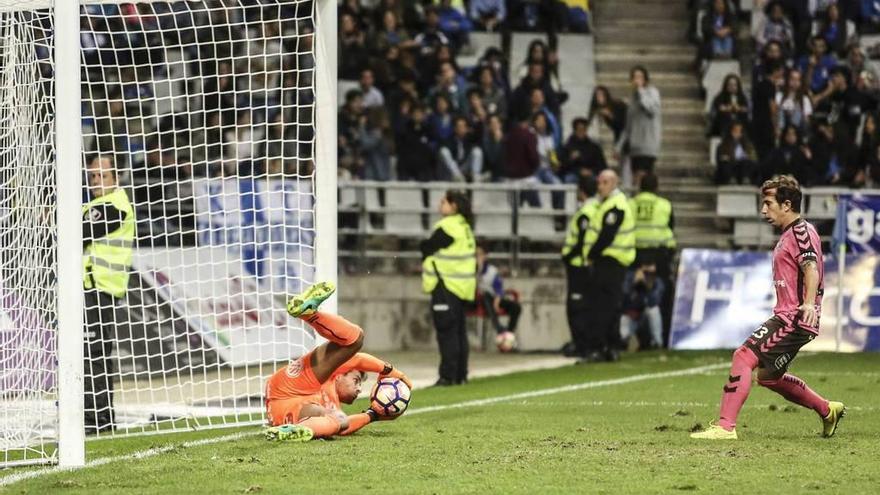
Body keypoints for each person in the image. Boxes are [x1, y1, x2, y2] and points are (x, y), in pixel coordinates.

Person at [691, 176, 845, 440]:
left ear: (786, 205)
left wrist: (807, 303)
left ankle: (725, 427)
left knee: (743, 356)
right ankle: (827, 409)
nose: (763, 210)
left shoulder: (801, 232)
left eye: (768, 203)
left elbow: (811, 269)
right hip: (792, 316)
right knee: (769, 377)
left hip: (794, 317)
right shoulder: (791, 233)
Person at [264, 282, 413, 442]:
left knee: (340, 422)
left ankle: (298, 431)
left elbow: (346, 427)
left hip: (284, 415)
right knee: (355, 339)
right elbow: (359, 359)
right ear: (340, 374)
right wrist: (389, 370)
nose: (359, 389)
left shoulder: (333, 405)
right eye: (356, 380)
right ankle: (309, 314)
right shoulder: (333, 371)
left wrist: (373, 415)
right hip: (289, 388)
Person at [82, 155, 135, 434]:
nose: (96, 182)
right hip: (89, 287)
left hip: (100, 289)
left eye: (102, 176)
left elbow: (81, 232)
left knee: (94, 353)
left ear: (116, 178)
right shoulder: (93, 206)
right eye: (92, 177)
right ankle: (97, 417)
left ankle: (98, 420)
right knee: (91, 353)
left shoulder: (114, 206)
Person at [421, 190, 477, 386]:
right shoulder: (465, 226)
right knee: (459, 332)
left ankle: (447, 376)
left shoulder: (448, 226)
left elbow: (426, 247)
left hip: (446, 285)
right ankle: (461, 375)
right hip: (462, 287)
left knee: (447, 333)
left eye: (444, 201)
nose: (440, 204)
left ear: (453, 206)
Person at [582, 170, 635, 362]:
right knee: (610, 306)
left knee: (602, 307)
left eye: (604, 182)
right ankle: (610, 346)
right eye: (599, 182)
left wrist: (591, 254)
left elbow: (607, 235)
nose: (600, 186)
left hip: (610, 261)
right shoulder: (610, 204)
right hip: (612, 262)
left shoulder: (615, 206)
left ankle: (599, 347)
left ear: (614, 183)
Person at [629, 173, 676, 343]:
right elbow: (670, 228)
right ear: (657, 187)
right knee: (661, 298)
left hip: (634, 256)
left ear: (640, 186)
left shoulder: (631, 204)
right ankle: (661, 338)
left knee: (633, 299)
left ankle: (635, 338)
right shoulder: (664, 204)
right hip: (659, 256)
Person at [560, 175, 599, 358]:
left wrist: (568, 255)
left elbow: (582, 239)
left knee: (576, 307)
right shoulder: (598, 208)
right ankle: (586, 343)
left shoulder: (586, 212)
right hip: (588, 266)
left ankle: (581, 344)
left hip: (578, 266)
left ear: (581, 192)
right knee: (587, 305)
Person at [616, 65, 662, 186]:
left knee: (642, 175)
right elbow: (628, 126)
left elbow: (651, 109)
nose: (637, 80)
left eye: (640, 77)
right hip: (635, 145)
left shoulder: (652, 92)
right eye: (634, 77)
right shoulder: (632, 100)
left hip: (648, 143)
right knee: (635, 177)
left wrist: (641, 90)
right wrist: (619, 146)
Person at [476, 242, 521, 338]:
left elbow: (498, 287)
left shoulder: (492, 270)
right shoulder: (468, 270)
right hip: (474, 300)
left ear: (485, 256)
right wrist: (478, 269)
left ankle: (509, 334)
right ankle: (499, 329)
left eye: (480, 254)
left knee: (516, 307)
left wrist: (498, 299)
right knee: (485, 295)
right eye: (476, 255)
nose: (478, 257)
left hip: (491, 300)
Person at [619, 261, 665, 350]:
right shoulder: (629, 277)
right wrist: (634, 283)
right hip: (633, 315)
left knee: (654, 311)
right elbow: (623, 297)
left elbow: (654, 301)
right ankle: (623, 342)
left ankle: (657, 343)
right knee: (624, 320)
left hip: (646, 316)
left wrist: (647, 286)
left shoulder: (657, 281)